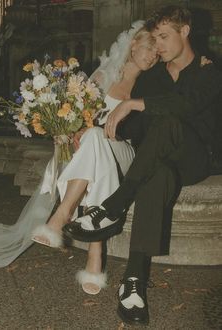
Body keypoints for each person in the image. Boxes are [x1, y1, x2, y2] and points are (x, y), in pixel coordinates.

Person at [64, 5, 222, 325]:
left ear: (185, 31)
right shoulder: (153, 78)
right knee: (157, 174)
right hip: (161, 161)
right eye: (156, 38)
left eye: (165, 36)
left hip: (198, 157)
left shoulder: (208, 71)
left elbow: (185, 105)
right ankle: (133, 282)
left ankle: (115, 204)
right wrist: (95, 128)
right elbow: (135, 128)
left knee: (167, 122)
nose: (159, 45)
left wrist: (135, 103)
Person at [0, 21, 159, 296]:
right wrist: (70, 133)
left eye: (157, 53)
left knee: (96, 138)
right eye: (149, 48)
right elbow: (76, 116)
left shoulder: (151, 81)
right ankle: (95, 250)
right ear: (133, 44)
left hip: (127, 153)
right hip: (96, 151)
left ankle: (62, 215)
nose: (152, 56)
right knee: (92, 138)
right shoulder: (103, 77)